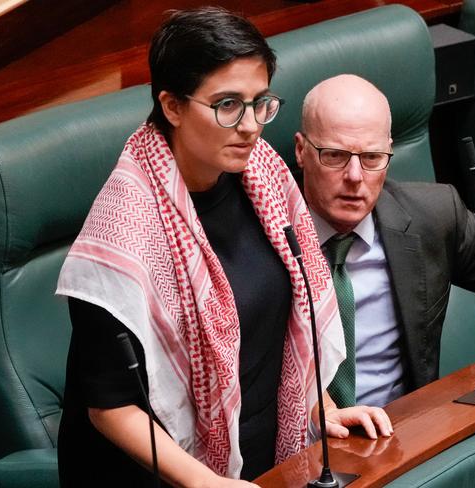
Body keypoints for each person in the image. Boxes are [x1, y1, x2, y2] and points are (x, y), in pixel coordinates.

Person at [56, 10, 391, 487]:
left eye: (260, 103)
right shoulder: (123, 232)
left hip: (260, 462)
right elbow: (109, 409)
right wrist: (201, 482)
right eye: (228, 105)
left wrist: (322, 409)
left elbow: (281, 328)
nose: (251, 125)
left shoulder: (265, 179)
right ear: (172, 106)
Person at [295, 74, 475, 408]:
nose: (354, 177)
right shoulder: (263, 237)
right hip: (301, 450)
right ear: (301, 151)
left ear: (388, 154)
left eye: (372, 158)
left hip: (401, 437)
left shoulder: (432, 216)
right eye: (334, 156)